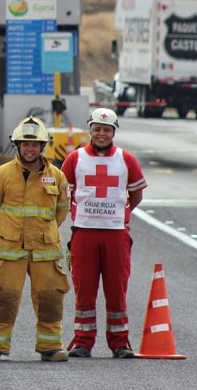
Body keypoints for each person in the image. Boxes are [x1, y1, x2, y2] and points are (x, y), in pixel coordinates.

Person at [0, 117, 71, 362]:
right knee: (3, 296)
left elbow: (61, 210)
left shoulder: (58, 177)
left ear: (43, 147)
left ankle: (50, 347)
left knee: (51, 297)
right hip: (10, 249)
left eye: (35, 144)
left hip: (46, 250)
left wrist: (44, 231)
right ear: (17, 145)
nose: (29, 149)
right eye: (25, 144)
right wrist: (8, 229)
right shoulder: (2, 174)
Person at [60, 108, 147, 359]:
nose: (101, 134)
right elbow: (65, 192)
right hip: (84, 233)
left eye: (106, 130)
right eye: (97, 129)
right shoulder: (74, 159)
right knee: (84, 290)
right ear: (90, 131)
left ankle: (120, 343)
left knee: (116, 290)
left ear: (114, 132)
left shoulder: (126, 159)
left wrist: (122, 212)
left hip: (116, 233)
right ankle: (82, 342)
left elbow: (136, 193)